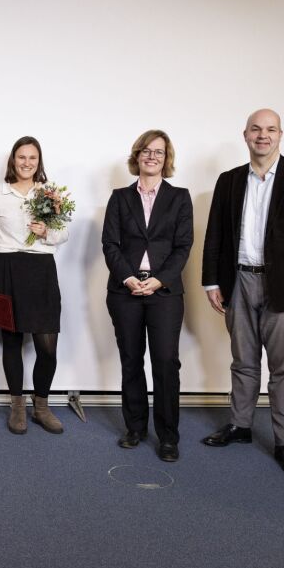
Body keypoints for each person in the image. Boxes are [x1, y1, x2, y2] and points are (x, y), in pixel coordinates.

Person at [201, 109, 284, 476]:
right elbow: (215, 236)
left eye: (270, 129)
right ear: (245, 135)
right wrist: (212, 282)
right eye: (256, 129)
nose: (263, 135)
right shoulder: (229, 181)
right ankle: (241, 426)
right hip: (238, 281)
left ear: (280, 135)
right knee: (242, 361)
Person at [101, 130, 193, 462]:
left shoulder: (180, 197)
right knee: (131, 360)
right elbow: (109, 244)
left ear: (166, 158)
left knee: (166, 363)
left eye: (159, 152)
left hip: (164, 292)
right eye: (146, 151)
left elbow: (183, 246)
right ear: (137, 156)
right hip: (124, 291)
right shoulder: (120, 198)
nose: (152, 156)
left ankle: (168, 436)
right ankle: (135, 428)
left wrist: (157, 280)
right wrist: (128, 278)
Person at [0, 136, 69, 435]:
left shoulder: (50, 193)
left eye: (32, 158)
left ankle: (41, 406)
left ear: (38, 161)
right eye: (21, 157)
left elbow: (63, 235)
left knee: (48, 347)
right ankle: (17, 405)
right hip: (7, 269)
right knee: (12, 343)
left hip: (41, 269)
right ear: (13, 161)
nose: (26, 163)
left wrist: (46, 232)